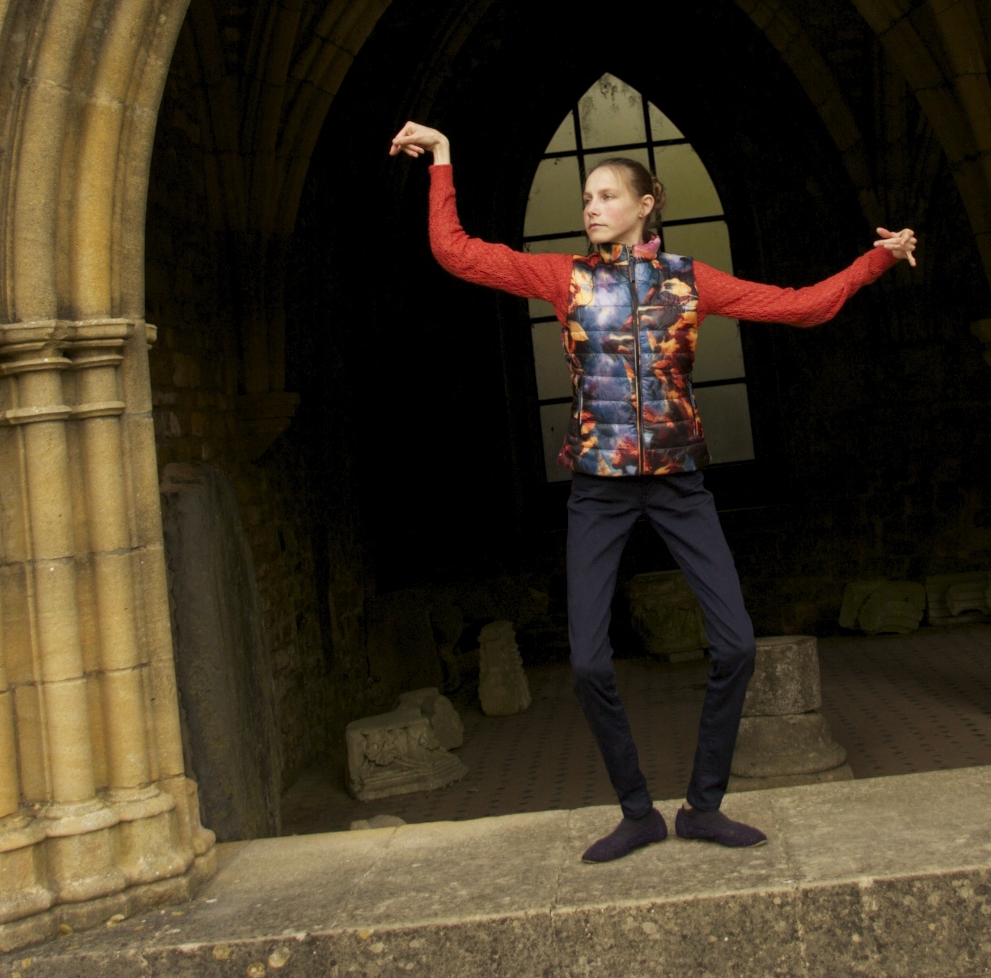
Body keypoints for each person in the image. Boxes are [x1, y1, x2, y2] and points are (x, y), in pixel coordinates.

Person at [389, 119, 917, 863]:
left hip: (679, 485)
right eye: (586, 197)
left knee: (735, 645)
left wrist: (875, 261)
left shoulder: (688, 281)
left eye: (607, 195)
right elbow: (456, 252)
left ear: (646, 205)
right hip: (598, 490)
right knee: (588, 663)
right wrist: (444, 160)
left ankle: (703, 805)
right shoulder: (565, 278)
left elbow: (803, 305)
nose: (592, 207)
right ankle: (637, 812)